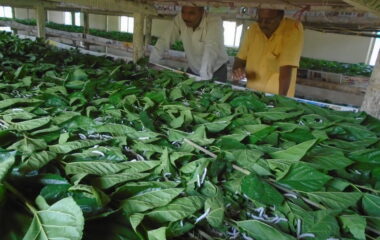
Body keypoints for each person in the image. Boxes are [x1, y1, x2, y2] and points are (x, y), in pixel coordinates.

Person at [232, 9, 304, 97]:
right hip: (252, 94)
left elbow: (286, 68)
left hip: (277, 95)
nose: (263, 24)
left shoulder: (293, 28)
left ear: (281, 16)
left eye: (269, 20)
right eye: (260, 19)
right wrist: (238, 71)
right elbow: (240, 58)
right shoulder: (253, 30)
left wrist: (281, 100)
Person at [149, 6, 229, 82]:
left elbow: (211, 49)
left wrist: (204, 80)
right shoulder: (180, 19)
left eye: (191, 13)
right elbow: (165, 39)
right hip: (193, 68)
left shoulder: (214, 21)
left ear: (201, 12)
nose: (186, 17)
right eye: (183, 12)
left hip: (216, 70)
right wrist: (151, 63)